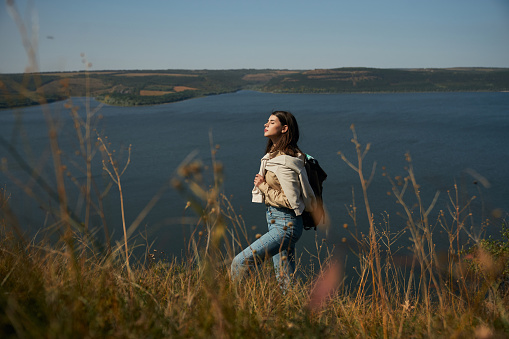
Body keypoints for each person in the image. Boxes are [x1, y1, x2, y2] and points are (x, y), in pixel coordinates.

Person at [231, 111, 316, 290]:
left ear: (284, 128)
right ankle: (294, 313)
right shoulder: (274, 157)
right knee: (285, 281)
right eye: (267, 121)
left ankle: (233, 310)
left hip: (286, 225)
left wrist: (263, 187)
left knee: (240, 263)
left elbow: (291, 201)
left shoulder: (285, 162)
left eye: (271, 122)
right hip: (278, 223)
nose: (265, 124)